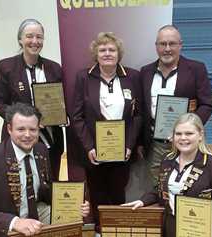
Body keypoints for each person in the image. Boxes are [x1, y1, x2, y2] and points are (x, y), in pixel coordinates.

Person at [0, 103, 89, 237]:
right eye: (21, 129)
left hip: (34, 211)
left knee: (71, 220)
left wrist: (73, 204)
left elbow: (46, 190)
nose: (27, 135)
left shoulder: (41, 150)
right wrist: (15, 222)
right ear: (9, 129)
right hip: (0, 224)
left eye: (33, 129)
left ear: (38, 129)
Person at [72, 32, 142, 231]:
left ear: (119, 54)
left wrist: (129, 145)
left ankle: (116, 231)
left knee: (118, 193)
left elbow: (138, 116)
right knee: (97, 195)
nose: (107, 53)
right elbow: (77, 116)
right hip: (94, 152)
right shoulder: (83, 77)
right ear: (96, 54)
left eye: (112, 49)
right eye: (102, 50)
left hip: (122, 151)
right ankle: (100, 231)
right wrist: (89, 147)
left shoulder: (132, 76)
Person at [122, 113, 212, 237]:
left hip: (202, 230)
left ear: (200, 135)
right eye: (178, 134)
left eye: (189, 133)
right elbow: (160, 188)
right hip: (171, 227)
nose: (183, 138)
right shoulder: (167, 160)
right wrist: (143, 201)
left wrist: (209, 233)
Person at [139, 25, 212, 186]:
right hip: (155, 144)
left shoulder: (196, 69)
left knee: (186, 185)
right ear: (156, 46)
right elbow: (141, 110)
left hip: (185, 142)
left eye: (172, 44)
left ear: (180, 45)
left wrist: (189, 129)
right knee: (157, 186)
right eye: (162, 44)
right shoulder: (145, 72)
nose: (167, 49)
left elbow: (207, 104)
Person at [0, 19, 63, 180]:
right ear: (20, 39)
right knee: (20, 183)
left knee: (50, 181)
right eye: (29, 36)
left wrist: (62, 115)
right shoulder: (6, 67)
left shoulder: (54, 68)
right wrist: (25, 121)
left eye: (39, 37)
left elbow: (61, 101)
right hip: (19, 137)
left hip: (51, 138)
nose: (35, 41)